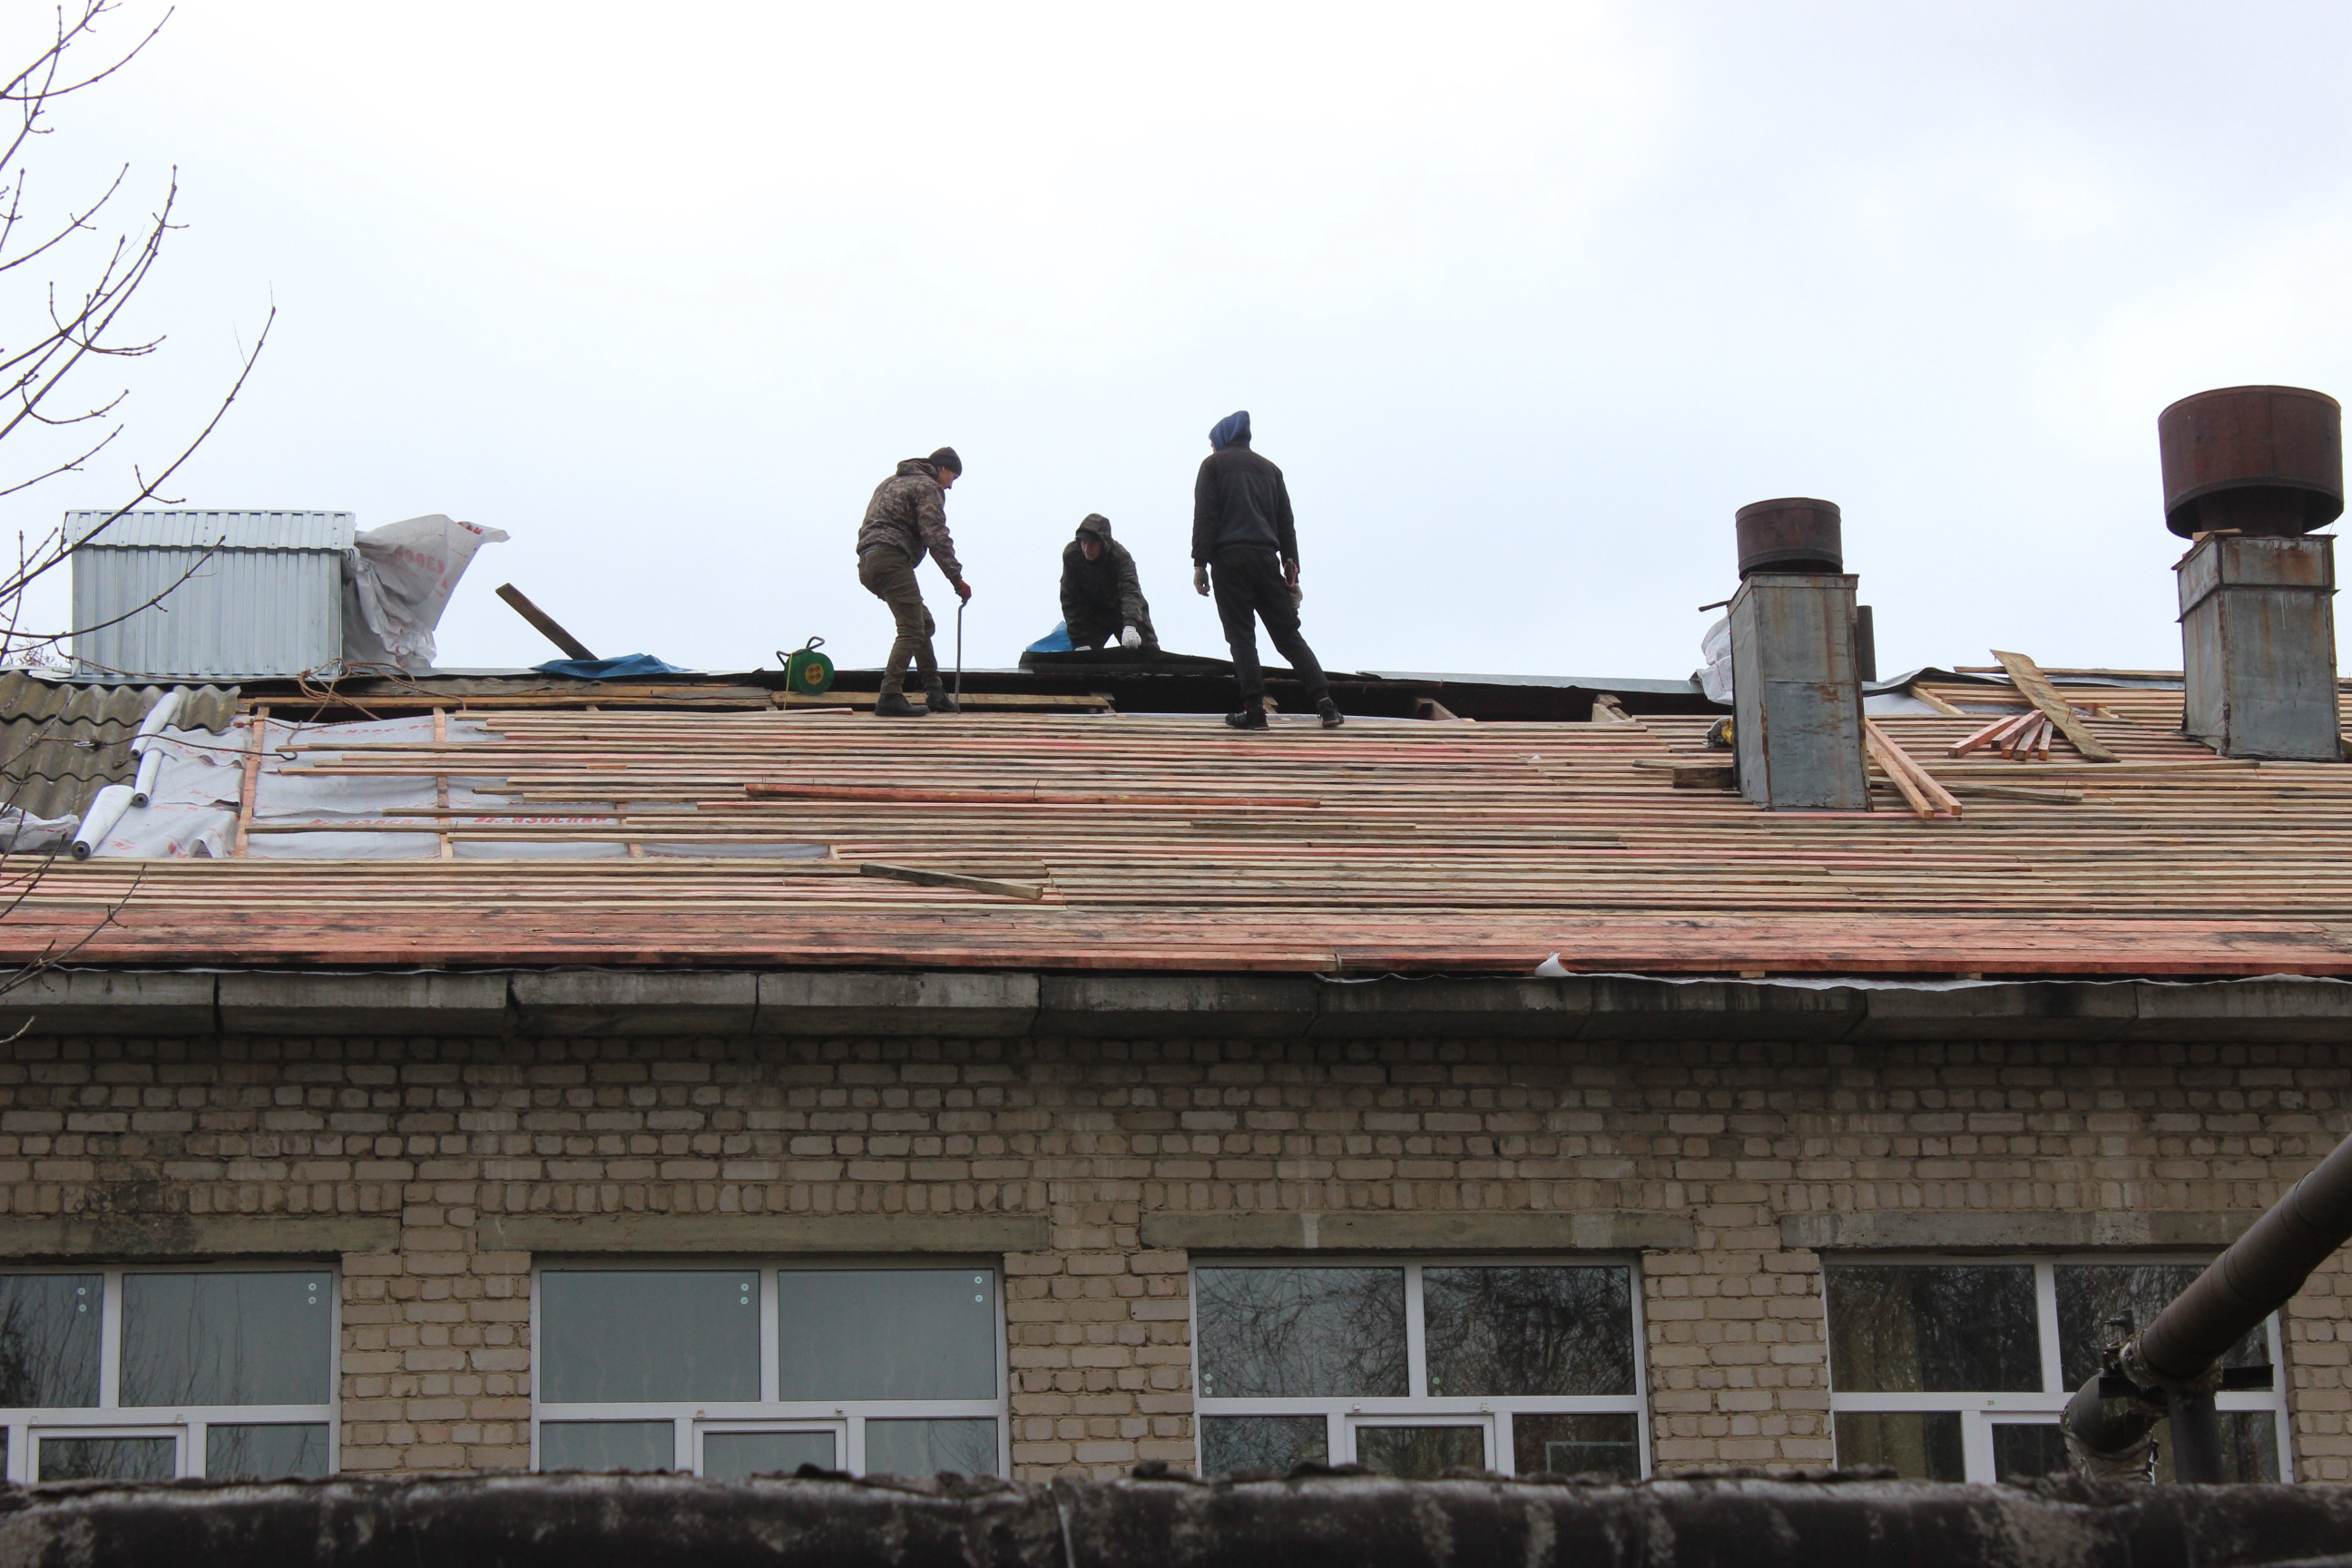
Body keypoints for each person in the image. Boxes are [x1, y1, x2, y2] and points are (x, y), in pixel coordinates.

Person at [1190, 410, 1341, 730]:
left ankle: (1255, 710)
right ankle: (1326, 706)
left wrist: (1199, 563)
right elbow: (1286, 523)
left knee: (1242, 637)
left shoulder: (1212, 465)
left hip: (1230, 561)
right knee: (1288, 636)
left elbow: (1206, 516)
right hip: (1266, 560)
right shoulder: (1271, 470)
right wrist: (1292, 566)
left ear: (1221, 439)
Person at [856, 446, 971, 717]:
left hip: (868, 562)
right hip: (891, 558)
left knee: (923, 623)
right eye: (952, 478)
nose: (950, 486)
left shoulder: (891, 482)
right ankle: (890, 695)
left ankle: (935, 692)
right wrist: (957, 578)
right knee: (911, 629)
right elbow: (936, 536)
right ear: (942, 469)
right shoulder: (928, 487)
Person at [1060, 514, 1158, 653]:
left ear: (1102, 543)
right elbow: (1069, 597)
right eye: (1083, 543)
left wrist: (1131, 626)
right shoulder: (1072, 555)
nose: (1087, 549)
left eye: (1092, 544)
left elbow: (1130, 592)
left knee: (1147, 655)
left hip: (1122, 610)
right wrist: (1080, 639)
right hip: (1092, 613)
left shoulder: (1121, 558)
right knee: (1082, 660)